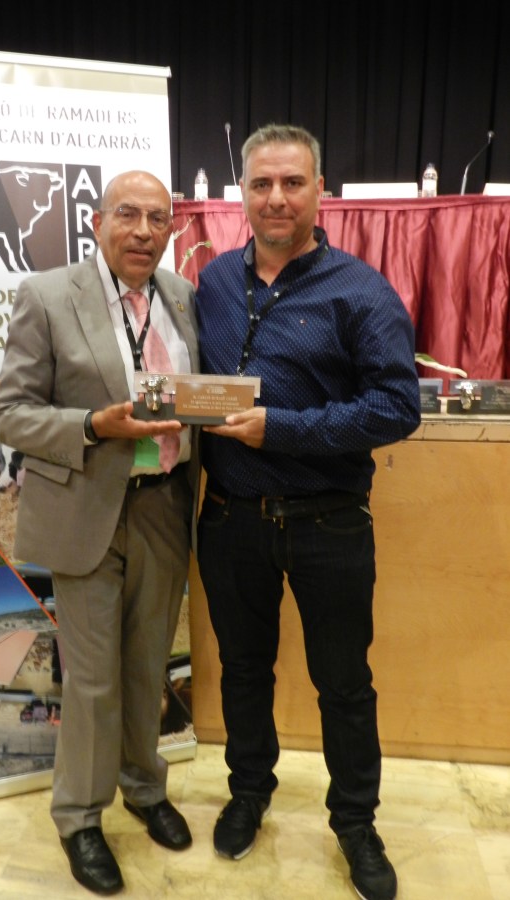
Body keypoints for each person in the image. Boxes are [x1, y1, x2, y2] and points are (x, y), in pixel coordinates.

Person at [195, 124, 421, 900]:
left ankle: (355, 824)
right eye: (261, 183)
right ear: (241, 194)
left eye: (292, 182)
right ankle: (247, 793)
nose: (276, 198)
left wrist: (281, 429)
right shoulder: (211, 283)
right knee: (242, 672)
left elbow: (396, 408)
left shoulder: (360, 291)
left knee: (343, 685)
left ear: (319, 191)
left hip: (329, 524)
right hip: (229, 520)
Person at [0, 170, 199, 896]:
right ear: (97, 221)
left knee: (147, 666)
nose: (143, 231)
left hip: (163, 507)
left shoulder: (181, 296)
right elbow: (9, 414)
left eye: (157, 218)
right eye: (127, 214)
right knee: (92, 679)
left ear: (171, 229)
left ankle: (145, 787)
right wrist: (89, 424)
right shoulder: (47, 296)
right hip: (86, 511)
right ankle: (80, 816)